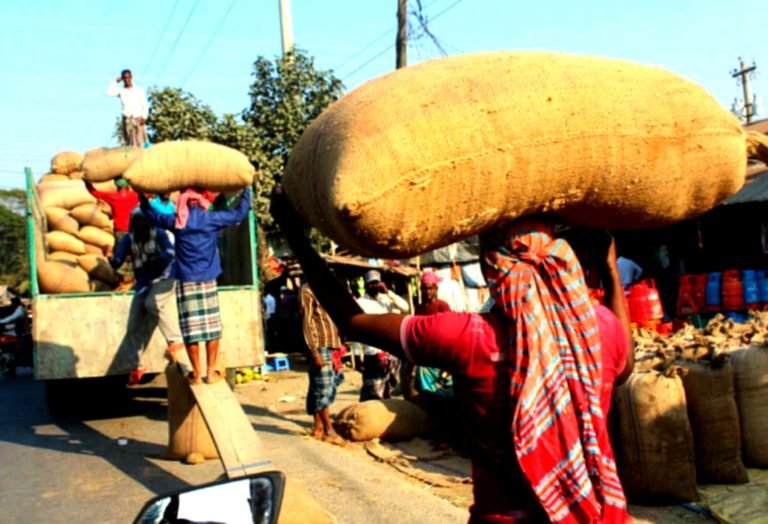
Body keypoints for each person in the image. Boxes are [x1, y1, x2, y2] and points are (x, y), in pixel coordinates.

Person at [271, 188, 632, 523]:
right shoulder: (599, 329)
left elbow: (353, 322)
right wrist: (611, 270)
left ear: (491, 267)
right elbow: (625, 368)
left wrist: (297, 239)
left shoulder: (470, 337)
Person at [140, 187, 251, 385]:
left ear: (182, 201)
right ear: (200, 201)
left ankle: (197, 374)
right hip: (208, 279)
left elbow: (152, 216)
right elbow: (239, 213)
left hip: (186, 280)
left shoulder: (177, 222)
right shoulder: (211, 220)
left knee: (191, 330)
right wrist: (247, 191)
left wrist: (142, 198)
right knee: (212, 328)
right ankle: (210, 372)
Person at [111, 209, 184, 385]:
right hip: (144, 283)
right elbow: (117, 261)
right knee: (133, 325)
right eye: (138, 222)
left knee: (152, 303)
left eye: (144, 221)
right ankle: (138, 365)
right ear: (133, 224)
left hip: (166, 277)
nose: (141, 225)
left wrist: (157, 260)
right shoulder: (129, 239)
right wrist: (110, 258)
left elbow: (170, 253)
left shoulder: (159, 234)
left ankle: (175, 339)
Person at [300, 284, 346, 445]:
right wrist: (314, 352)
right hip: (320, 345)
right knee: (323, 388)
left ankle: (318, 426)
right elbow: (307, 321)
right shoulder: (308, 290)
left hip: (331, 344)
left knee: (325, 383)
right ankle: (328, 429)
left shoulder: (327, 288)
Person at [86, 177, 140, 250]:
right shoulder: (135, 196)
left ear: (116, 186)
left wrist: (86, 181)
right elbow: (149, 191)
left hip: (120, 230)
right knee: (134, 252)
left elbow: (94, 193)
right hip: (133, 229)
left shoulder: (113, 197)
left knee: (121, 253)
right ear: (127, 185)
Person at [107, 69, 149, 147]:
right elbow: (109, 92)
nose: (127, 80)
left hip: (138, 119)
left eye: (128, 77)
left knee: (141, 142)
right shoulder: (121, 91)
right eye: (125, 78)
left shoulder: (138, 90)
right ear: (123, 79)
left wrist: (144, 117)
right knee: (131, 143)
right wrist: (115, 82)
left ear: (131, 77)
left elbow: (144, 104)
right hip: (127, 120)